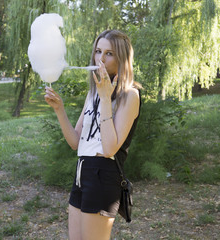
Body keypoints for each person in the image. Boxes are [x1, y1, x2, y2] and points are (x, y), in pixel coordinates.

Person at [44, 29, 141, 240]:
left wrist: (106, 100)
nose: (101, 58)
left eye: (109, 53)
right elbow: (75, 142)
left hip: (104, 174)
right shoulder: (94, 92)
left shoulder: (129, 96)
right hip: (82, 171)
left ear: (122, 58)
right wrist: (59, 109)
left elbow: (109, 148)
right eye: (98, 51)